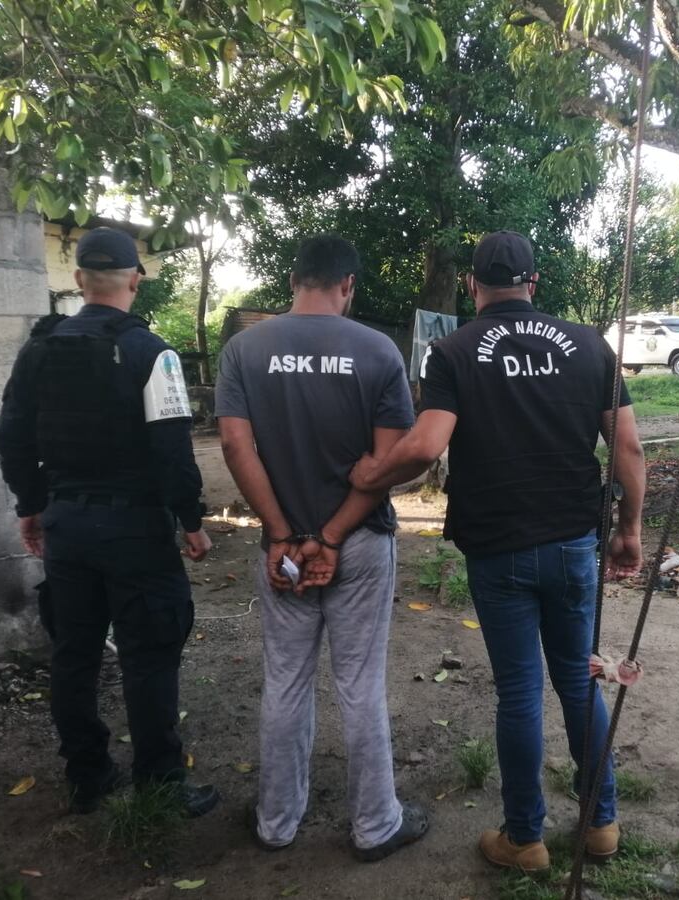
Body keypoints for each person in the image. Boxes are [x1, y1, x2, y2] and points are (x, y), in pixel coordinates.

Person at [350, 230, 646, 872]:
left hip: (498, 547)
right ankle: (601, 824)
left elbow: (426, 446)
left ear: (472, 286)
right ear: (533, 283)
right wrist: (630, 528)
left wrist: (369, 476)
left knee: (519, 692)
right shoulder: (590, 344)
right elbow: (627, 447)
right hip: (573, 541)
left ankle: (525, 839)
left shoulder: (453, 351)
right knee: (578, 680)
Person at [215, 234, 429, 860]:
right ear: (348, 284)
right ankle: (375, 825)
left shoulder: (244, 350)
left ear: (293, 280)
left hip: (282, 549)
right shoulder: (377, 350)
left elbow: (234, 447)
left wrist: (283, 533)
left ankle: (276, 821)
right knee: (360, 684)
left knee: (285, 680)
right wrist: (331, 536)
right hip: (358, 542)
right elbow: (389, 462)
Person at [0, 226, 219, 817]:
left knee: (75, 655)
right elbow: (173, 451)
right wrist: (191, 521)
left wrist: (31, 506)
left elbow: (11, 439)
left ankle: (87, 777)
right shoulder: (154, 355)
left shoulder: (38, 350)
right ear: (135, 280)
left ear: (78, 280)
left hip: (67, 526)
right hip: (136, 533)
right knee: (150, 655)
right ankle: (160, 783)